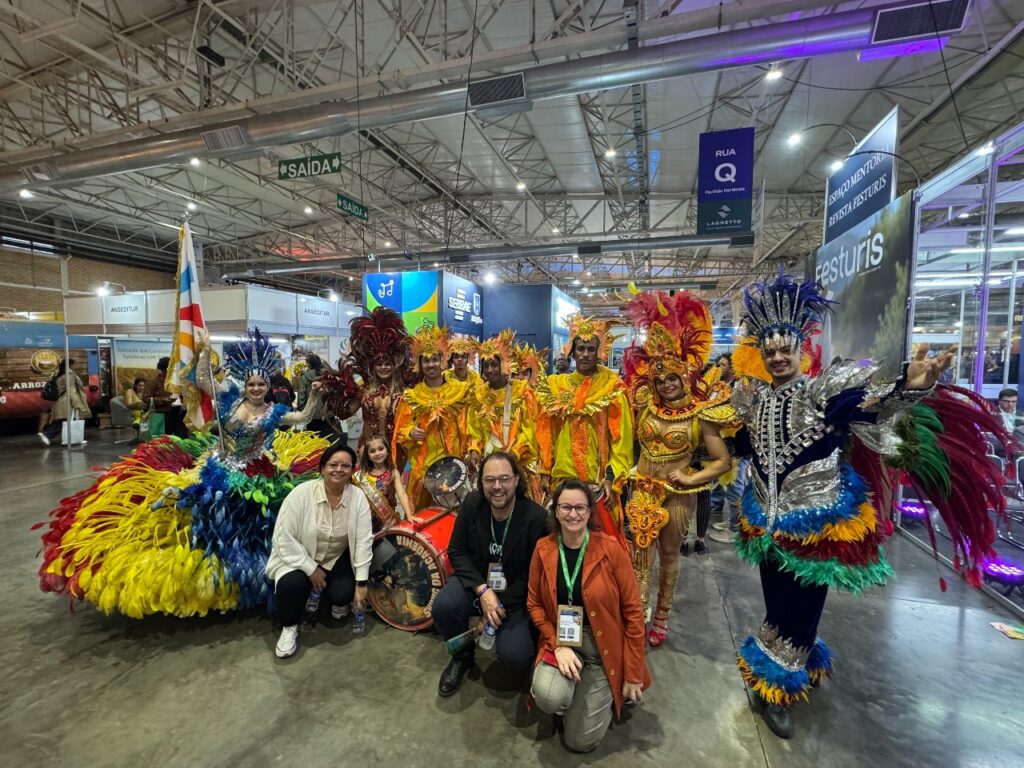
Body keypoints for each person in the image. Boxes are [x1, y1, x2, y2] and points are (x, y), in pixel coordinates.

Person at [730, 272, 1012, 739]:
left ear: (801, 348)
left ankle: (776, 687)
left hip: (817, 524)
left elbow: (870, 406)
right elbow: (744, 446)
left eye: (785, 349)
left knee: (801, 605)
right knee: (777, 603)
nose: (778, 358)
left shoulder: (823, 392)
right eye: (770, 351)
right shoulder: (755, 399)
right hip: (765, 521)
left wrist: (910, 386)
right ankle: (795, 661)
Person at [37, 328, 330, 619]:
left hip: (254, 474)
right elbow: (202, 379)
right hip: (218, 464)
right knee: (195, 507)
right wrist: (204, 351)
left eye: (261, 384)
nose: (256, 388)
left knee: (248, 523)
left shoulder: (274, 412)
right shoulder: (230, 398)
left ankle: (244, 574)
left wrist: (315, 396)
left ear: (267, 386)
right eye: (251, 383)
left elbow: (303, 417)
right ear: (245, 384)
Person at [621, 289, 734, 644]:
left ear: (683, 377)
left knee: (669, 554)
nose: (666, 385)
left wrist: (690, 476)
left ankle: (662, 615)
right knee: (640, 555)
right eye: (660, 380)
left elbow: (723, 462)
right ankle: (638, 612)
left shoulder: (700, 415)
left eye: (672, 378)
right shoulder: (644, 405)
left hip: (677, 495)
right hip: (642, 489)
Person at [527, 479, 651, 753]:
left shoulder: (611, 549)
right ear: (555, 511)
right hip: (563, 639)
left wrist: (632, 673)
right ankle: (572, 697)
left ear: (590, 511)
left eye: (580, 507)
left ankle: (597, 693)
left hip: (601, 648)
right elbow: (534, 605)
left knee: (579, 743)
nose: (573, 514)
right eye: (566, 507)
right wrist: (556, 645)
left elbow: (634, 614)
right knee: (548, 697)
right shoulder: (543, 549)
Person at [433, 452, 548, 696]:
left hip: (515, 595)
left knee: (516, 656)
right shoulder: (472, 504)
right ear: (481, 482)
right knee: (444, 606)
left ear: (516, 480)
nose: (497, 486)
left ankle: (533, 660)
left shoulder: (536, 518)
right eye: (490, 480)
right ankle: (462, 658)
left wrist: (498, 605)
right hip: (479, 584)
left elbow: (533, 576)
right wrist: (484, 591)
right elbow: (457, 551)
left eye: (504, 479)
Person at [266, 442, 374, 658]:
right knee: (289, 588)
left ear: (352, 470)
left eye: (346, 465)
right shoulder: (301, 494)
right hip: (299, 557)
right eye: (333, 464)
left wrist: (361, 583)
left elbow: (363, 541)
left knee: (342, 594)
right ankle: (290, 627)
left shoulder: (357, 497)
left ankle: (321, 595)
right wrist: (310, 568)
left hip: (333, 557)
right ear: (323, 468)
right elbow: (282, 537)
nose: (339, 470)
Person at [536, 316, 634, 544]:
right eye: (580, 348)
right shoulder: (557, 386)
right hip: (562, 477)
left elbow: (622, 438)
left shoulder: (612, 387)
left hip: (598, 481)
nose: (586, 354)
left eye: (591, 349)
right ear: (572, 351)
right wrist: (545, 470)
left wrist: (612, 477)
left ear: (600, 352)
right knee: (562, 542)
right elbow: (546, 432)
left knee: (600, 544)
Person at [393, 324, 474, 510]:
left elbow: (471, 424)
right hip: (423, 468)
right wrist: (410, 432)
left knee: (454, 514)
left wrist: (472, 449)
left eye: (435, 360)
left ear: (443, 361)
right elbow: (400, 430)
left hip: (454, 464)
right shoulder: (412, 396)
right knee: (421, 515)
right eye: (426, 361)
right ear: (419, 364)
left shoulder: (461, 391)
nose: (431, 365)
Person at [324, 308, 411, 456]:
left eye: (387, 364)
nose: (384, 367)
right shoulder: (364, 390)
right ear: (373, 367)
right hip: (369, 449)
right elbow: (345, 412)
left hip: (396, 448)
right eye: (379, 364)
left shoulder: (404, 391)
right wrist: (333, 391)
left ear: (394, 366)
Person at [466, 330, 541, 495]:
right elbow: (475, 429)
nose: (490, 370)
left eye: (494, 364)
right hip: (489, 467)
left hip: (518, 465)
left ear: (504, 364)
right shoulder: (478, 394)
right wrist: (474, 450)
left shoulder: (521, 391)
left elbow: (531, 429)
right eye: (486, 365)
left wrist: (515, 453)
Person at [352, 434, 413, 531]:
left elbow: (402, 494)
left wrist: (409, 515)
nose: (377, 453)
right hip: (367, 521)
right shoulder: (362, 475)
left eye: (381, 449)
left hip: (388, 521)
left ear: (387, 451)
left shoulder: (393, 473)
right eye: (372, 451)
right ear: (368, 456)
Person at [39, 359, 92, 446]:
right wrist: (77, 403)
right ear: (70, 366)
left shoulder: (59, 374)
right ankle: (47, 435)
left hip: (61, 401)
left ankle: (76, 438)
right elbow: (72, 390)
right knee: (66, 421)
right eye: (73, 365)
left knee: (69, 420)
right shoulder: (69, 375)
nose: (74, 366)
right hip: (67, 401)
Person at [143, 356, 188, 438]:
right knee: (165, 439)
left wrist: (183, 399)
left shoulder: (177, 380)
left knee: (183, 438)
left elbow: (183, 394)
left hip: (178, 414)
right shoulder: (153, 382)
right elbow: (145, 398)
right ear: (163, 369)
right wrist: (164, 399)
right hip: (163, 415)